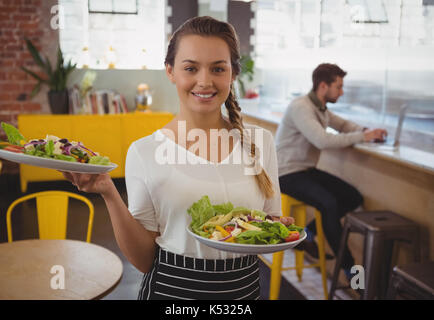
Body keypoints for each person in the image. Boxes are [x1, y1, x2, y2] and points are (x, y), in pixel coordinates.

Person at [61, 16, 282, 300]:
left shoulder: (261, 142)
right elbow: (143, 260)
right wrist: (108, 192)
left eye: (218, 68)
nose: (204, 81)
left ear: (233, 74)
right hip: (172, 293)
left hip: (243, 291)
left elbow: (272, 224)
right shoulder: (144, 152)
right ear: (170, 71)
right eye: (191, 68)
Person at [275, 63, 387, 279]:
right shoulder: (301, 107)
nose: (342, 92)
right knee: (328, 203)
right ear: (324, 86)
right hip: (285, 173)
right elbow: (322, 140)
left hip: (304, 170)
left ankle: (306, 234)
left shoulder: (320, 108)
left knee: (353, 197)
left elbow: (343, 125)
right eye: (339, 86)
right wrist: (363, 137)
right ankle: (350, 270)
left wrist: (367, 131)